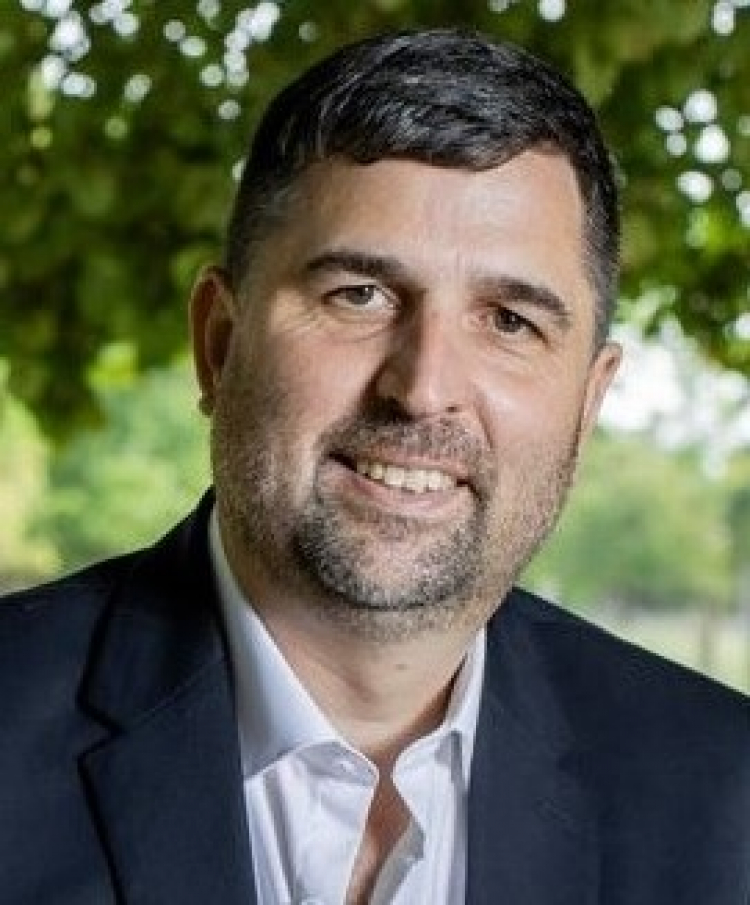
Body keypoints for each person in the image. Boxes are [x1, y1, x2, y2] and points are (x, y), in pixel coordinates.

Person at [1, 28, 748, 905]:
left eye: (510, 321)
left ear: (588, 404)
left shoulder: (724, 796)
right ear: (219, 345)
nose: (423, 389)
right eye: (358, 295)